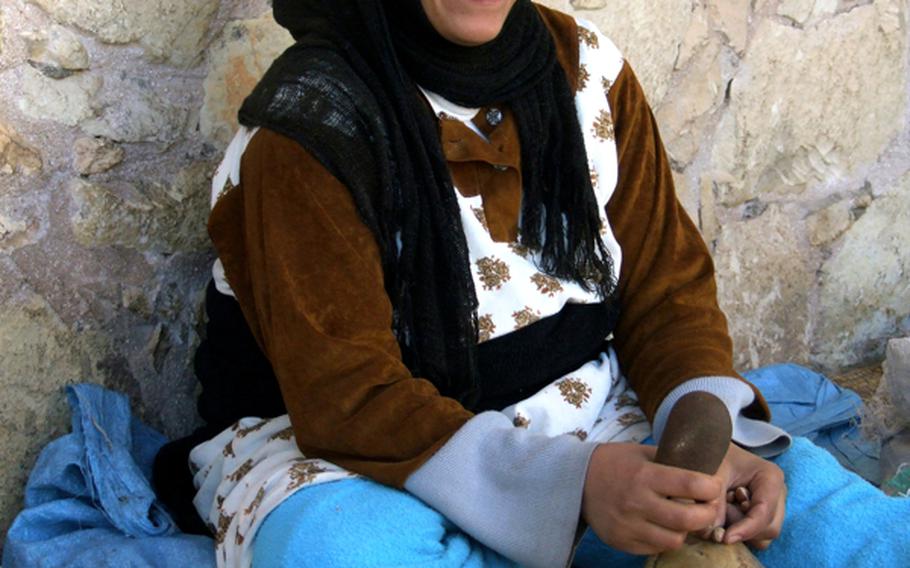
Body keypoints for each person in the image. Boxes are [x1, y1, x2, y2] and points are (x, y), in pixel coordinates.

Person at [152, 1, 910, 567]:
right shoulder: (306, 132)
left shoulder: (587, 73)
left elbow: (664, 291)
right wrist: (576, 489)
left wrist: (699, 447)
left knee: (824, 513)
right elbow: (347, 397)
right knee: (339, 549)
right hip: (358, 450)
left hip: (574, 408)